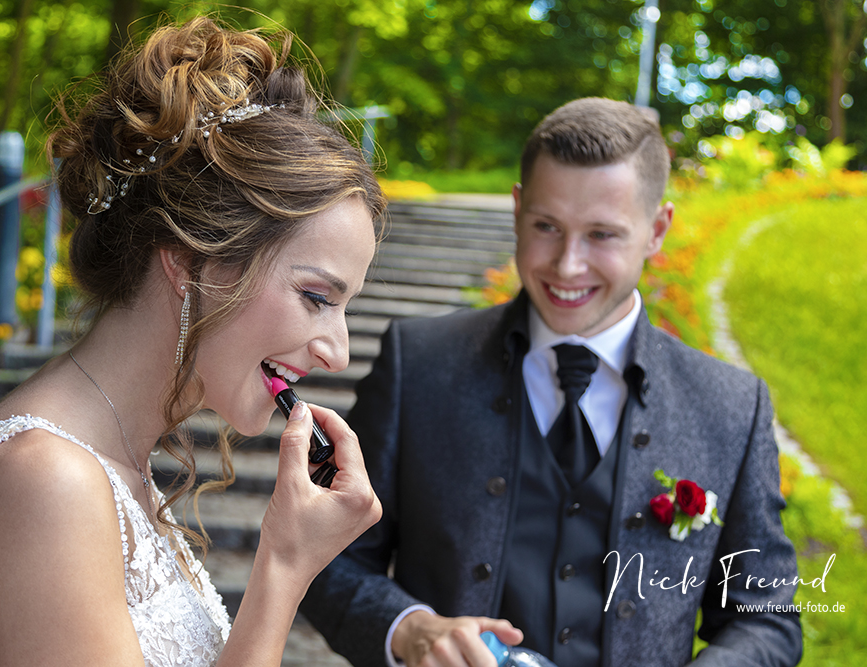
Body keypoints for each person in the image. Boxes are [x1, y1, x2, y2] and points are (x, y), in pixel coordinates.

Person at [0, 16, 383, 667]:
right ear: (190, 262)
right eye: (317, 297)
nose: (336, 352)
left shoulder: (115, 467)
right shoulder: (45, 482)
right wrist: (286, 567)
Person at [301, 98, 802, 667]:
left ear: (657, 230)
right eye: (546, 226)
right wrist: (411, 630)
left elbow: (765, 620)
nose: (567, 265)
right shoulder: (417, 365)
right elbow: (327, 558)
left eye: (602, 235)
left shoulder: (731, 407)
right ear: (518, 210)